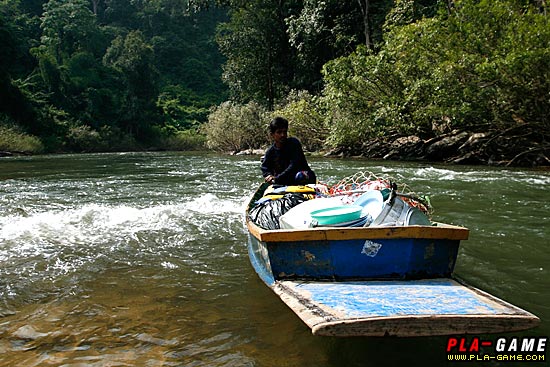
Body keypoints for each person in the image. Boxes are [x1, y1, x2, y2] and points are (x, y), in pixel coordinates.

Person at [261, 117, 316, 185]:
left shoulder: (294, 143)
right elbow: (265, 168)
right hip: (283, 180)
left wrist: (276, 178)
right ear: (272, 134)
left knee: (300, 176)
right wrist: (269, 176)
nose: (283, 135)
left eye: (284, 132)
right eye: (279, 132)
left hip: (303, 177)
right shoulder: (270, 152)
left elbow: (294, 166)